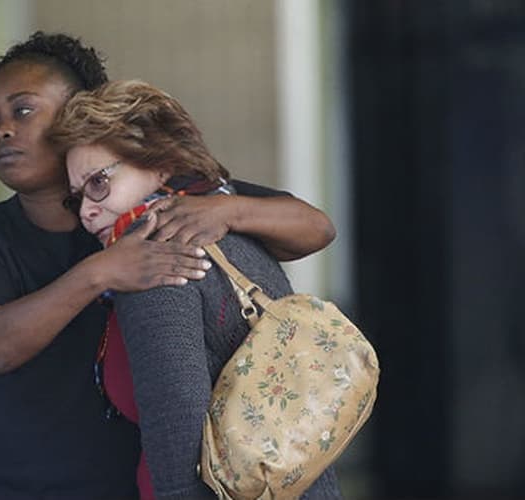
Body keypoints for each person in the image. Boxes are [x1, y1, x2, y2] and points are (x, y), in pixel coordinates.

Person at [0, 32, 336, 499]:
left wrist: (228, 210)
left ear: (79, 112)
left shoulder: (160, 202)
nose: (0, 129)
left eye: (22, 110)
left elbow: (316, 228)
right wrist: (102, 271)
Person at [49, 79, 343, 499]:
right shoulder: (232, 226)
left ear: (160, 165)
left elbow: (178, 442)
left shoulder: (157, 259)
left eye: (98, 183)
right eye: (75, 199)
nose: (86, 211)